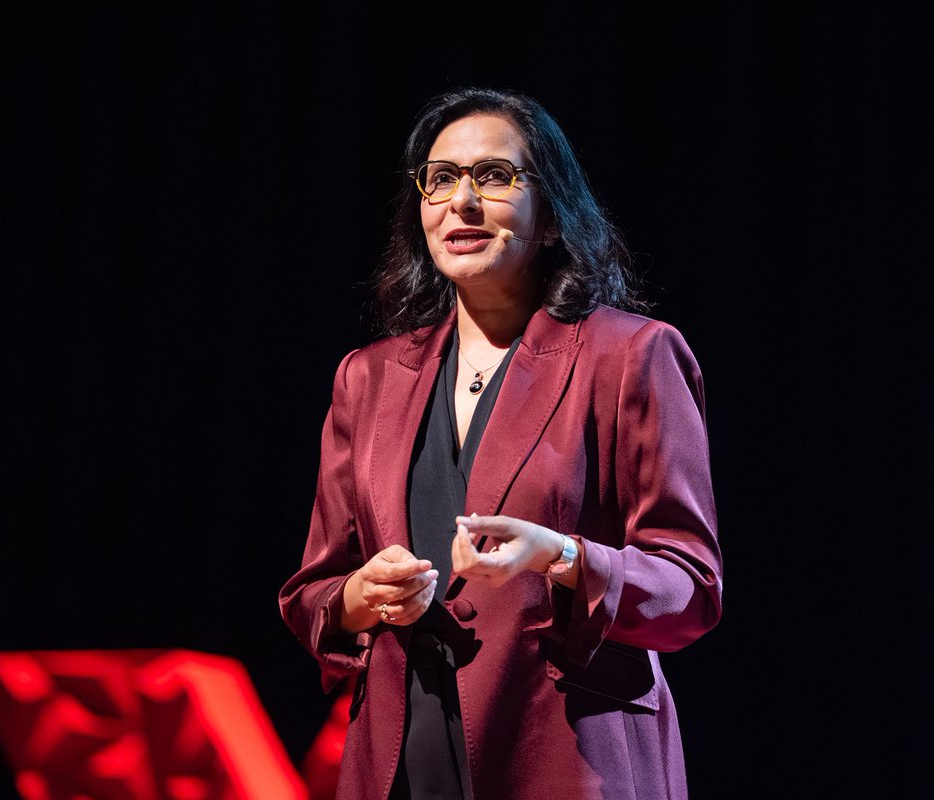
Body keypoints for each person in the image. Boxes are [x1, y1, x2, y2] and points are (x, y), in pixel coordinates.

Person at [278, 87, 722, 800]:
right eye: (440, 178)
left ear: (551, 215)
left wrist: (563, 556)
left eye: (493, 176)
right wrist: (361, 595)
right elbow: (312, 593)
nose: (462, 201)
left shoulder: (630, 357)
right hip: (401, 760)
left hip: (564, 761)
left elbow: (690, 587)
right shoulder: (368, 377)